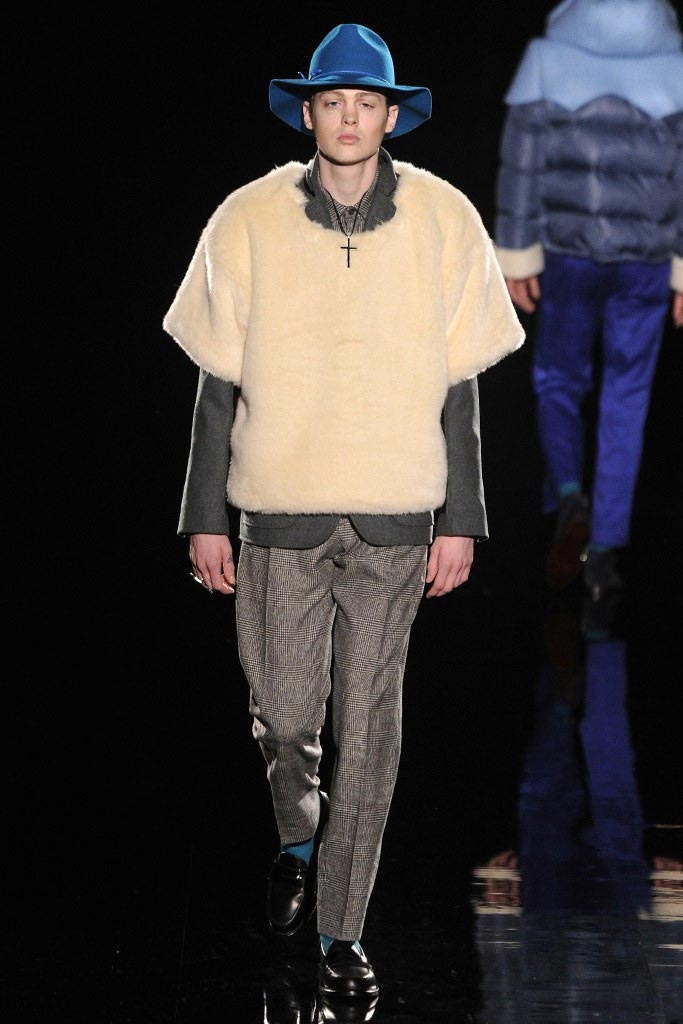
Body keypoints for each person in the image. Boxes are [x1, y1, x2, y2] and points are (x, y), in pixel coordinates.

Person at [163, 23, 524, 1003]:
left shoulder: (443, 218)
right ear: (308, 113)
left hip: (396, 515)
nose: (350, 118)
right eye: (333, 102)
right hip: (276, 510)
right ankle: (296, 834)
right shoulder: (247, 217)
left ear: (390, 117)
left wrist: (462, 516)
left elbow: (459, 382)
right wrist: (202, 514)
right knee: (285, 718)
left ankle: (341, 928)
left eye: (367, 103)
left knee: (367, 730)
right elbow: (215, 380)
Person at [493, 0, 683, 599]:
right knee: (627, 396)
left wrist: (516, 251)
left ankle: (571, 495)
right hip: (646, 263)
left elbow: (521, 161)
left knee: (557, 378)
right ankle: (602, 553)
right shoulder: (676, 60)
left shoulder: (547, 56)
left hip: (567, 256)